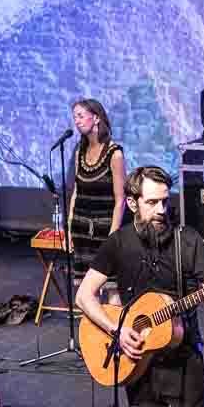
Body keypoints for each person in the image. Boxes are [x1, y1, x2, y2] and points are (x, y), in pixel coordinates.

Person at [76, 166, 204, 407]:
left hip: (184, 365)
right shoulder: (119, 243)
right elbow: (84, 296)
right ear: (132, 203)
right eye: (152, 202)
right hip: (138, 367)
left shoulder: (188, 240)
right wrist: (116, 329)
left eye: (165, 202)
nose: (161, 210)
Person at [69, 99, 126, 304]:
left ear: (96, 118)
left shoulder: (114, 153)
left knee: (112, 289)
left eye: (81, 116)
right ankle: (91, 326)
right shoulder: (80, 152)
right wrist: (70, 226)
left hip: (105, 230)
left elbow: (121, 199)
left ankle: (114, 325)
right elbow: (76, 190)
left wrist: (113, 236)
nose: (77, 121)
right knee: (86, 292)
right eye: (74, 117)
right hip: (82, 230)